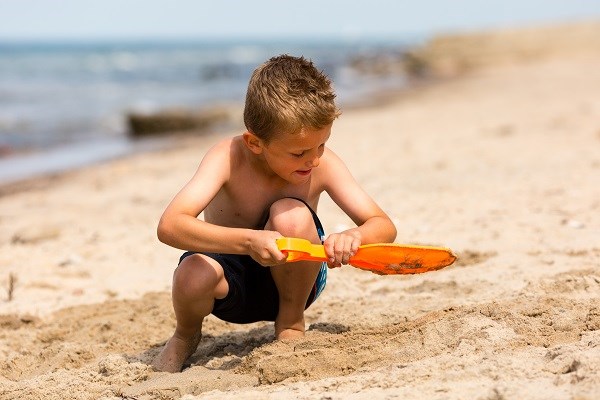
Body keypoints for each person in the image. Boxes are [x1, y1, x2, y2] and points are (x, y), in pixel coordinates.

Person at [152, 54, 397, 372]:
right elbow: (170, 225)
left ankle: (292, 323)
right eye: (299, 153)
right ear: (255, 143)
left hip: (297, 281)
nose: (314, 160)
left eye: (322, 145)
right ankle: (185, 336)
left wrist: (354, 236)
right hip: (231, 283)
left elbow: (383, 225)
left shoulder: (323, 165)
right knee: (191, 274)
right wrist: (248, 241)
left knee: (291, 215)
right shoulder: (227, 158)